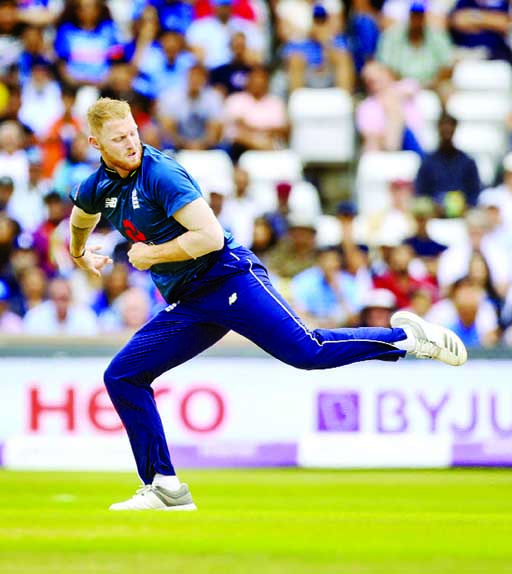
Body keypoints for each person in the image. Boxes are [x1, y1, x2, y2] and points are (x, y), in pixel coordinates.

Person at [68, 98, 468, 511]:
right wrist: (80, 252)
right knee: (123, 375)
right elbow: (82, 215)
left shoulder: (161, 173)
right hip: (190, 299)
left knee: (307, 351)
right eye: (119, 138)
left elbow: (210, 238)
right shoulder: (99, 185)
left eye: (133, 131)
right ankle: (164, 486)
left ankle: (405, 338)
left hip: (228, 278)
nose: (131, 142)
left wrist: (151, 255)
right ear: (96, 143)